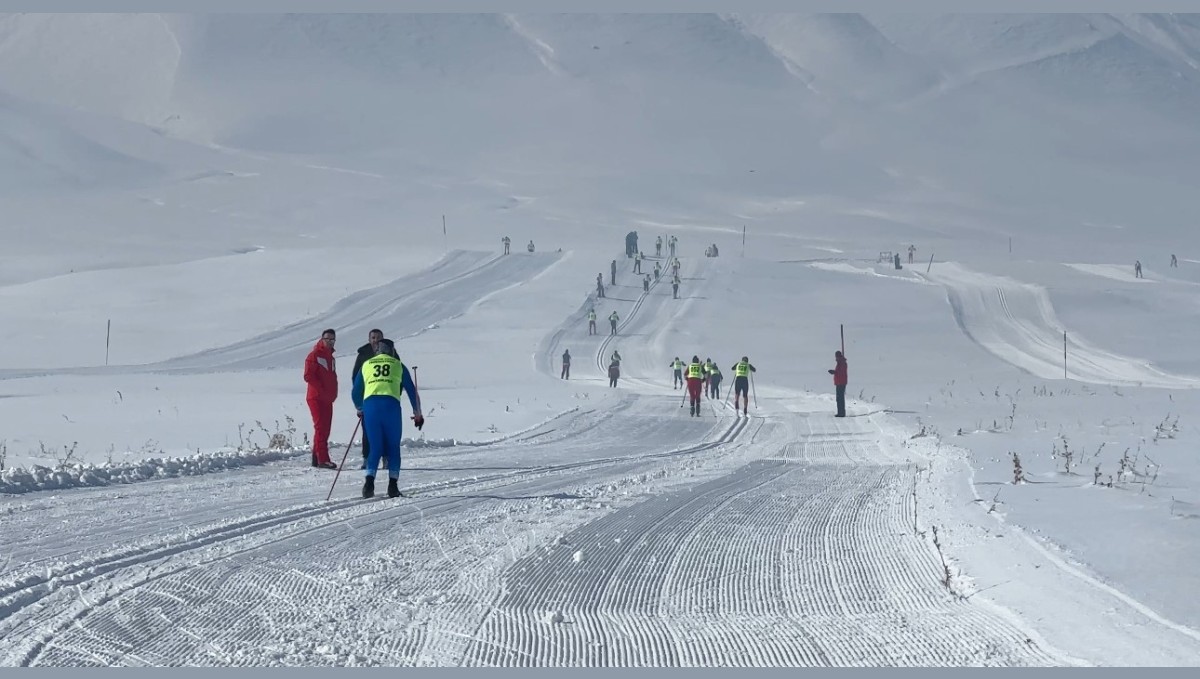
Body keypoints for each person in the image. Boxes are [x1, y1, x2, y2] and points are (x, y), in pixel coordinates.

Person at [352, 338, 424, 498]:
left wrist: (360, 408)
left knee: (375, 446)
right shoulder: (398, 365)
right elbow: (412, 391)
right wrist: (418, 413)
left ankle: (369, 484)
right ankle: (393, 486)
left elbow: (355, 392)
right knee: (393, 447)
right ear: (391, 351)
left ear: (377, 350)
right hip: (391, 406)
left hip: (371, 406)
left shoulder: (366, 365)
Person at [303, 328, 339, 469]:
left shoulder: (331, 357)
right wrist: (322, 390)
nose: (330, 342)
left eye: (332, 339)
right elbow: (308, 376)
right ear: (322, 339)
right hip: (316, 397)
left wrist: (333, 393)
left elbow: (332, 377)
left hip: (327, 399)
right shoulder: (314, 355)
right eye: (327, 339)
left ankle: (316, 457)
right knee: (321, 428)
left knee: (325, 428)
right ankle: (323, 459)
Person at [352, 328, 384, 468]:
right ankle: (367, 458)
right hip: (368, 398)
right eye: (373, 338)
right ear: (369, 339)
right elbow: (356, 377)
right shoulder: (363, 355)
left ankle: (386, 458)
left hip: (386, 397)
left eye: (378, 338)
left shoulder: (391, 352)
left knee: (385, 429)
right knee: (368, 430)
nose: (375, 340)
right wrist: (359, 402)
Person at [828, 350, 848, 417]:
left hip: (841, 382)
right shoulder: (840, 363)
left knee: (840, 398)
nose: (835, 358)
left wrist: (834, 372)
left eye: (836, 356)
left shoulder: (842, 363)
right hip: (839, 382)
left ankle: (841, 413)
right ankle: (840, 412)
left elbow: (841, 373)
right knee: (839, 398)